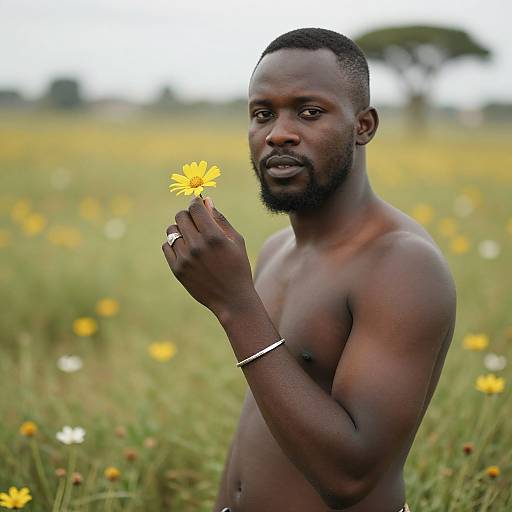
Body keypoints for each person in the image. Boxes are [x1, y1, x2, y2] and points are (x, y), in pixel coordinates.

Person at [162, 27, 456, 512]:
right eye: (262, 114)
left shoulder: (402, 265)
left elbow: (350, 477)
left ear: (363, 126)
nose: (278, 132)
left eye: (309, 111)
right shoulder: (277, 249)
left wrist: (235, 305)